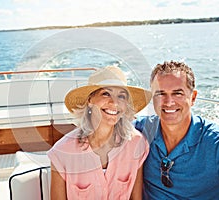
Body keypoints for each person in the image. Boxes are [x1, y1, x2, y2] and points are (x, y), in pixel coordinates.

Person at [134, 61, 219, 199]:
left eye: (177, 93)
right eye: (160, 93)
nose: (169, 102)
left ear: (193, 97)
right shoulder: (139, 130)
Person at [47, 66, 152, 199]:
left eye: (121, 96)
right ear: (90, 100)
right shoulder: (61, 152)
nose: (114, 102)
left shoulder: (137, 144)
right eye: (106, 94)